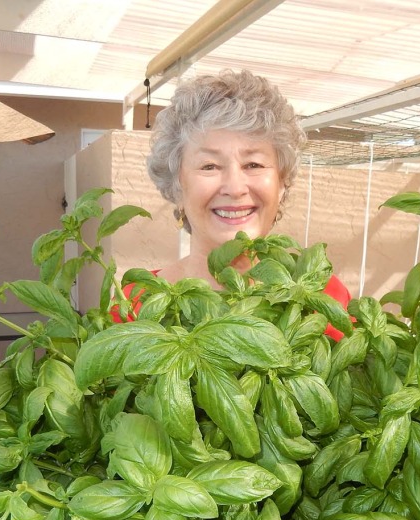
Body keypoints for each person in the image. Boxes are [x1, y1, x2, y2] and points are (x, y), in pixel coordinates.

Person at [117, 70, 350, 337]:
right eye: (210, 166)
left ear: (282, 183)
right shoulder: (134, 305)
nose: (235, 188)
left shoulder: (325, 297)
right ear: (177, 187)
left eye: (254, 164)